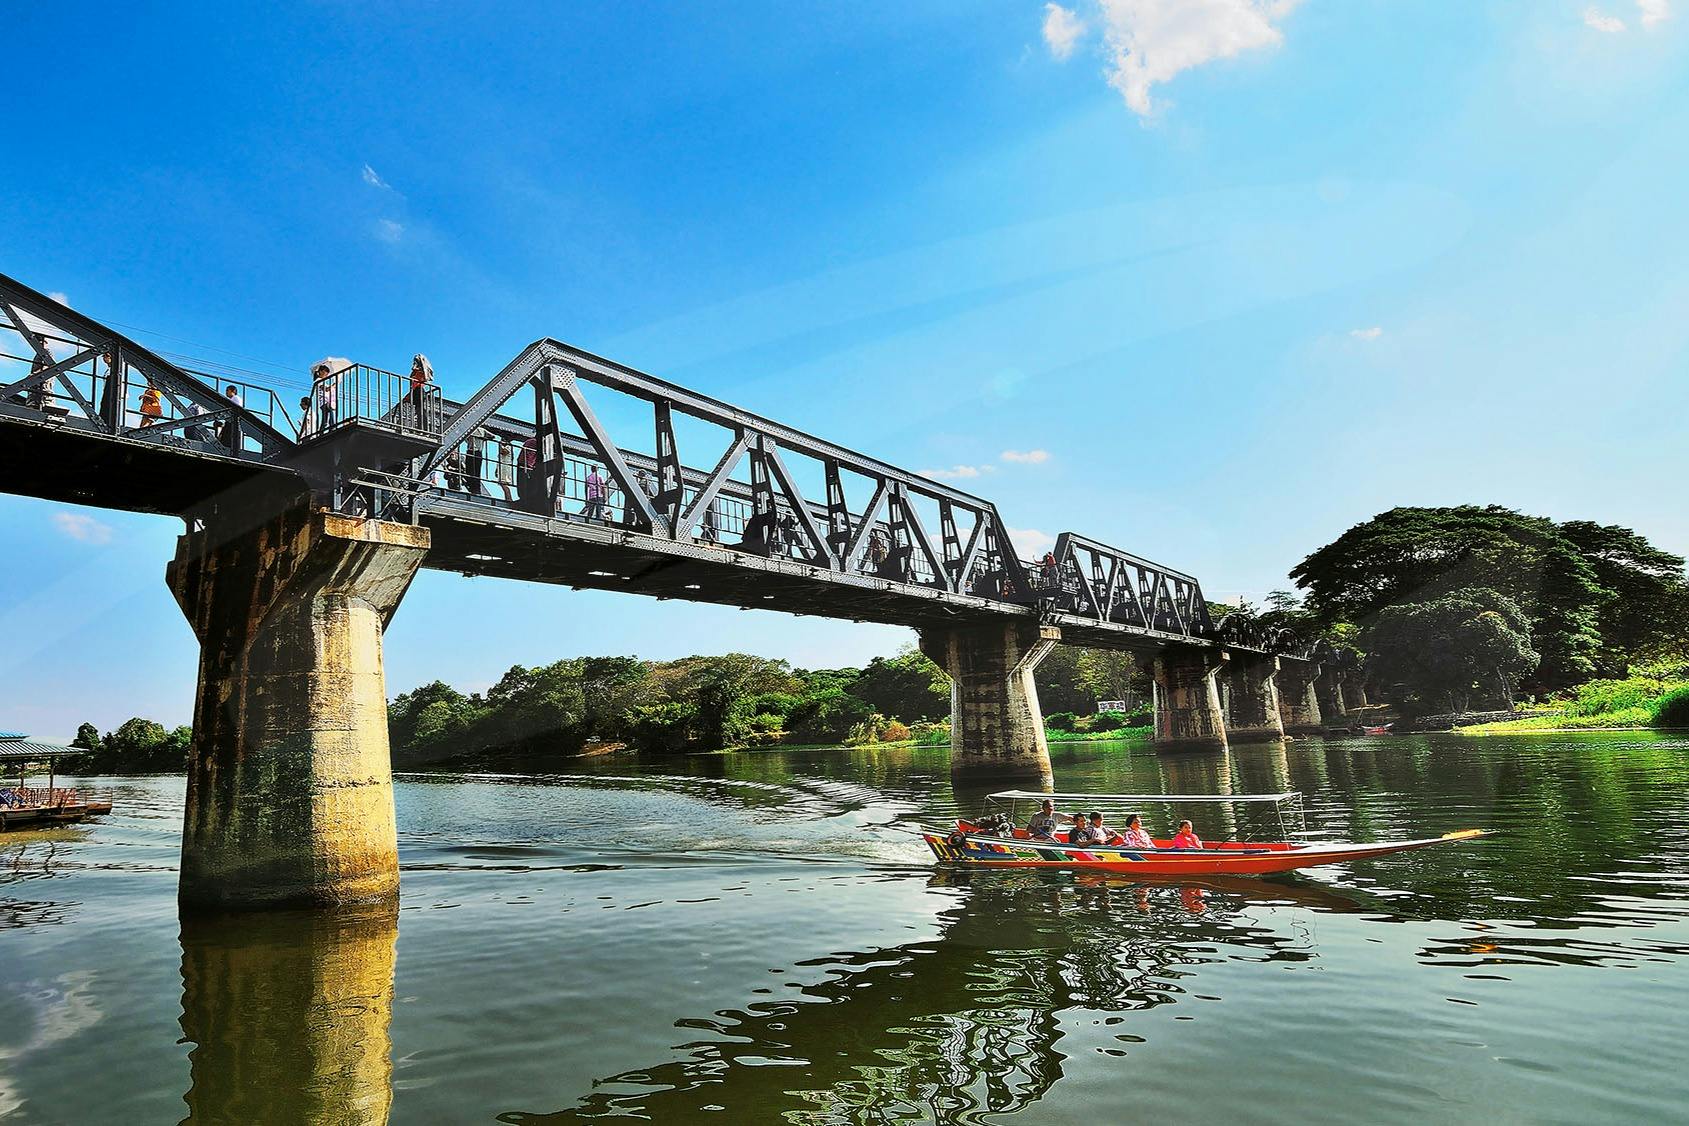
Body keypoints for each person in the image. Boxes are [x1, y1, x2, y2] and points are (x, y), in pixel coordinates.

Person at [311, 360, 338, 431]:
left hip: (325, 401)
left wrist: (332, 386)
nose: (326, 375)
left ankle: (321, 431)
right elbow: (326, 389)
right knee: (330, 411)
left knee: (325, 419)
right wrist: (333, 385)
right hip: (324, 401)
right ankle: (332, 426)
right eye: (325, 373)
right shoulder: (318, 381)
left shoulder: (322, 381)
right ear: (320, 372)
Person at [408, 354, 433, 424]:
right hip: (415, 391)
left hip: (419, 391)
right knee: (418, 410)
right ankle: (420, 427)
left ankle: (422, 428)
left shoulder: (422, 371)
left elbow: (425, 378)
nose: (415, 362)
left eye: (416, 361)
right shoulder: (415, 372)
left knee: (420, 410)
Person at [220, 384, 242, 451]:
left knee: (227, 438)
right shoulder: (233, 399)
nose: (226, 392)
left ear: (233, 391)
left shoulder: (235, 398)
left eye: (227, 390)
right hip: (230, 421)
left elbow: (236, 410)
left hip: (232, 422)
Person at [465, 428, 487, 496]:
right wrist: (482, 438)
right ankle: (476, 489)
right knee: (475, 472)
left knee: (471, 471)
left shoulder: (471, 428)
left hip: (473, 451)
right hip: (476, 452)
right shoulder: (482, 430)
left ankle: (474, 488)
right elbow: (492, 436)